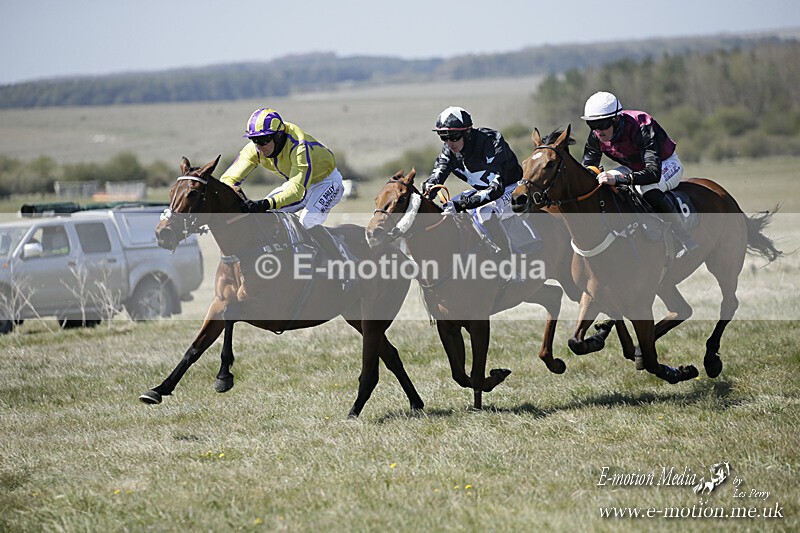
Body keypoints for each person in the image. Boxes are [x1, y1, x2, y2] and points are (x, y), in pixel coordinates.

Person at [220, 108, 350, 264]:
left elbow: (296, 192)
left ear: (278, 136)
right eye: (254, 140)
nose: (259, 146)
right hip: (299, 184)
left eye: (264, 140)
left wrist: (264, 203)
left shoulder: (299, 146)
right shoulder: (255, 149)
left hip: (327, 183)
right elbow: (228, 179)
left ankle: (344, 265)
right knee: (264, 218)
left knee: (308, 222)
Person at [581, 91, 699, 257]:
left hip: (665, 164)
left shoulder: (642, 124)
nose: (598, 131)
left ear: (616, 119)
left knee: (647, 189)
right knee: (603, 184)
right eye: (592, 125)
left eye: (602, 124)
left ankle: (684, 238)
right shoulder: (596, 135)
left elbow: (652, 173)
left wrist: (619, 179)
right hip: (633, 168)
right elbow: (587, 170)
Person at [422, 106, 522, 255]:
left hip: (512, 188)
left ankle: (509, 264)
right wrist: (426, 194)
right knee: (446, 212)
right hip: (485, 192)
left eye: (454, 136)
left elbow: (496, 188)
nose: (449, 143)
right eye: (444, 137)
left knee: (484, 212)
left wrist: (462, 204)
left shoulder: (491, 140)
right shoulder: (449, 151)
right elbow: (437, 176)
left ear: (467, 132)